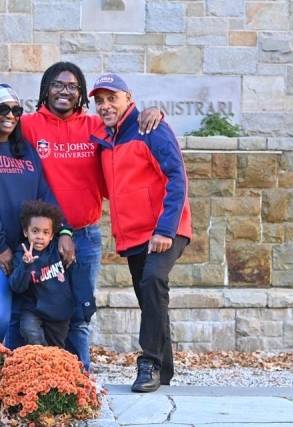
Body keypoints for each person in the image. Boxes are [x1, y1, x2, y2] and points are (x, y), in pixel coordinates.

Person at [0, 62, 163, 371]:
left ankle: (78, 379)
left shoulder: (95, 126)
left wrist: (155, 111)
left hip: (82, 236)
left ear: (80, 93)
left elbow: (127, 123)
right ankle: (17, 376)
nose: (64, 91)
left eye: (72, 86)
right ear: (46, 89)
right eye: (57, 85)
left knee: (77, 315)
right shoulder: (30, 126)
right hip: (35, 241)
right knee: (23, 312)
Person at [89, 73, 192, 393]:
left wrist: (165, 229)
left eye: (112, 98)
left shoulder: (152, 128)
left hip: (165, 229)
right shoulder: (106, 139)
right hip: (133, 235)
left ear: (128, 97)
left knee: (152, 282)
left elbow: (177, 178)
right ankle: (164, 372)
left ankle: (148, 363)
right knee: (149, 298)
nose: (105, 106)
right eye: (100, 101)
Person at [0, 83, 73, 350]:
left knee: (20, 321)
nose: (10, 115)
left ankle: (12, 382)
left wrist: (63, 230)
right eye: (2, 110)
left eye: (16, 110)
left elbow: (45, 195)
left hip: (29, 252)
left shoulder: (27, 151)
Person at [8, 201, 96, 349]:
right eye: (35, 231)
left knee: (57, 348)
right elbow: (17, 286)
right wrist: (26, 265)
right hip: (33, 309)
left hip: (59, 311)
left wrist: (87, 305)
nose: (40, 237)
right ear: (25, 232)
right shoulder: (21, 254)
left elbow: (78, 278)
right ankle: (44, 359)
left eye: (45, 232)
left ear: (52, 235)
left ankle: (54, 364)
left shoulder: (59, 251)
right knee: (30, 332)